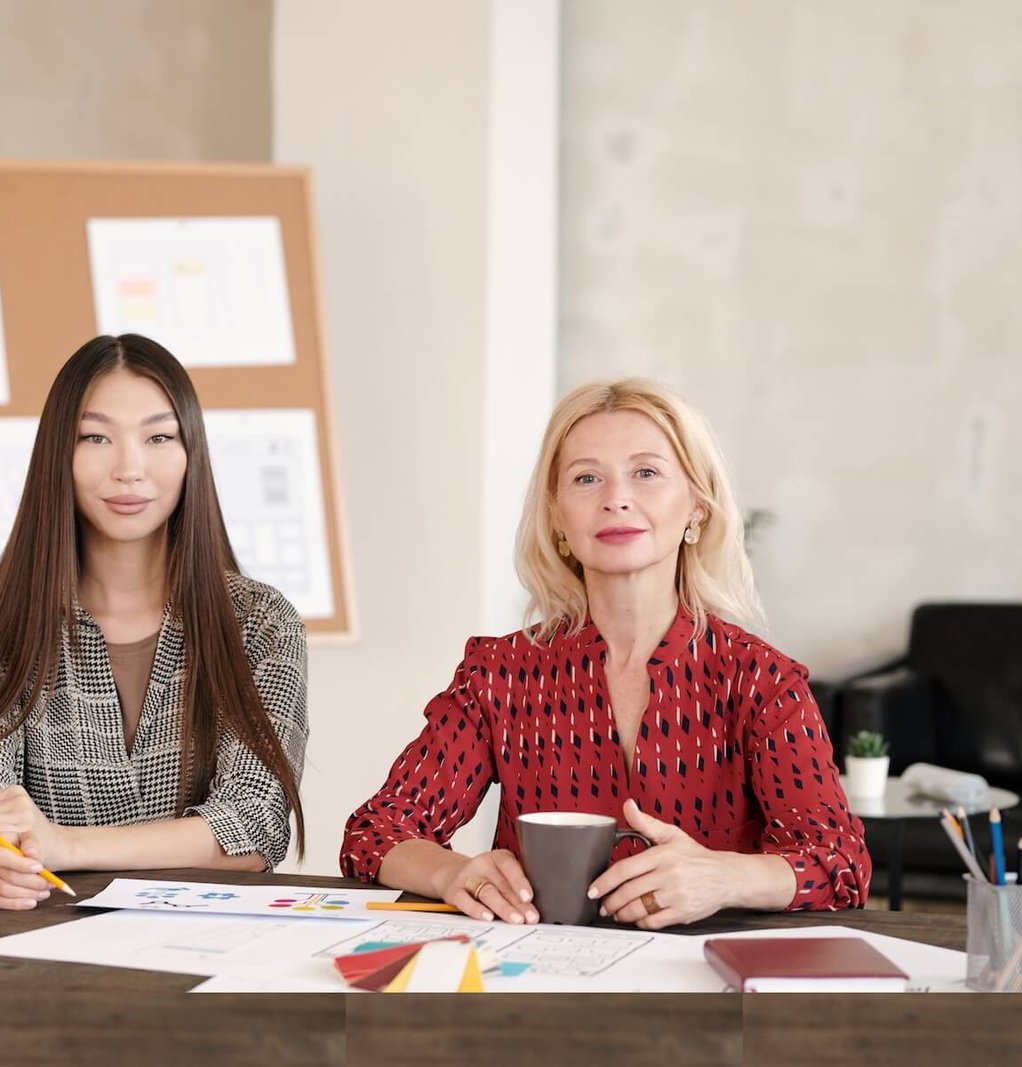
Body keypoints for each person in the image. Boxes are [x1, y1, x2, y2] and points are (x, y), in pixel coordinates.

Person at [341, 379, 869, 928]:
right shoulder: (497, 675)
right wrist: (453, 874)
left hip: (705, 970)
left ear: (697, 504)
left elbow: (841, 862)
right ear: (556, 515)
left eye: (646, 472)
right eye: (586, 478)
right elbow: (377, 832)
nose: (616, 498)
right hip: (537, 968)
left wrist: (725, 877)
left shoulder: (762, 680)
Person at [0, 334, 308, 910]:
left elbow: (255, 824)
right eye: (96, 437)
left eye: (159, 437)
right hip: (43, 935)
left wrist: (64, 845)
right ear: (59, 454)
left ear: (192, 453)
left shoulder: (260, 622)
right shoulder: (1, 624)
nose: (129, 469)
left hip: (211, 939)